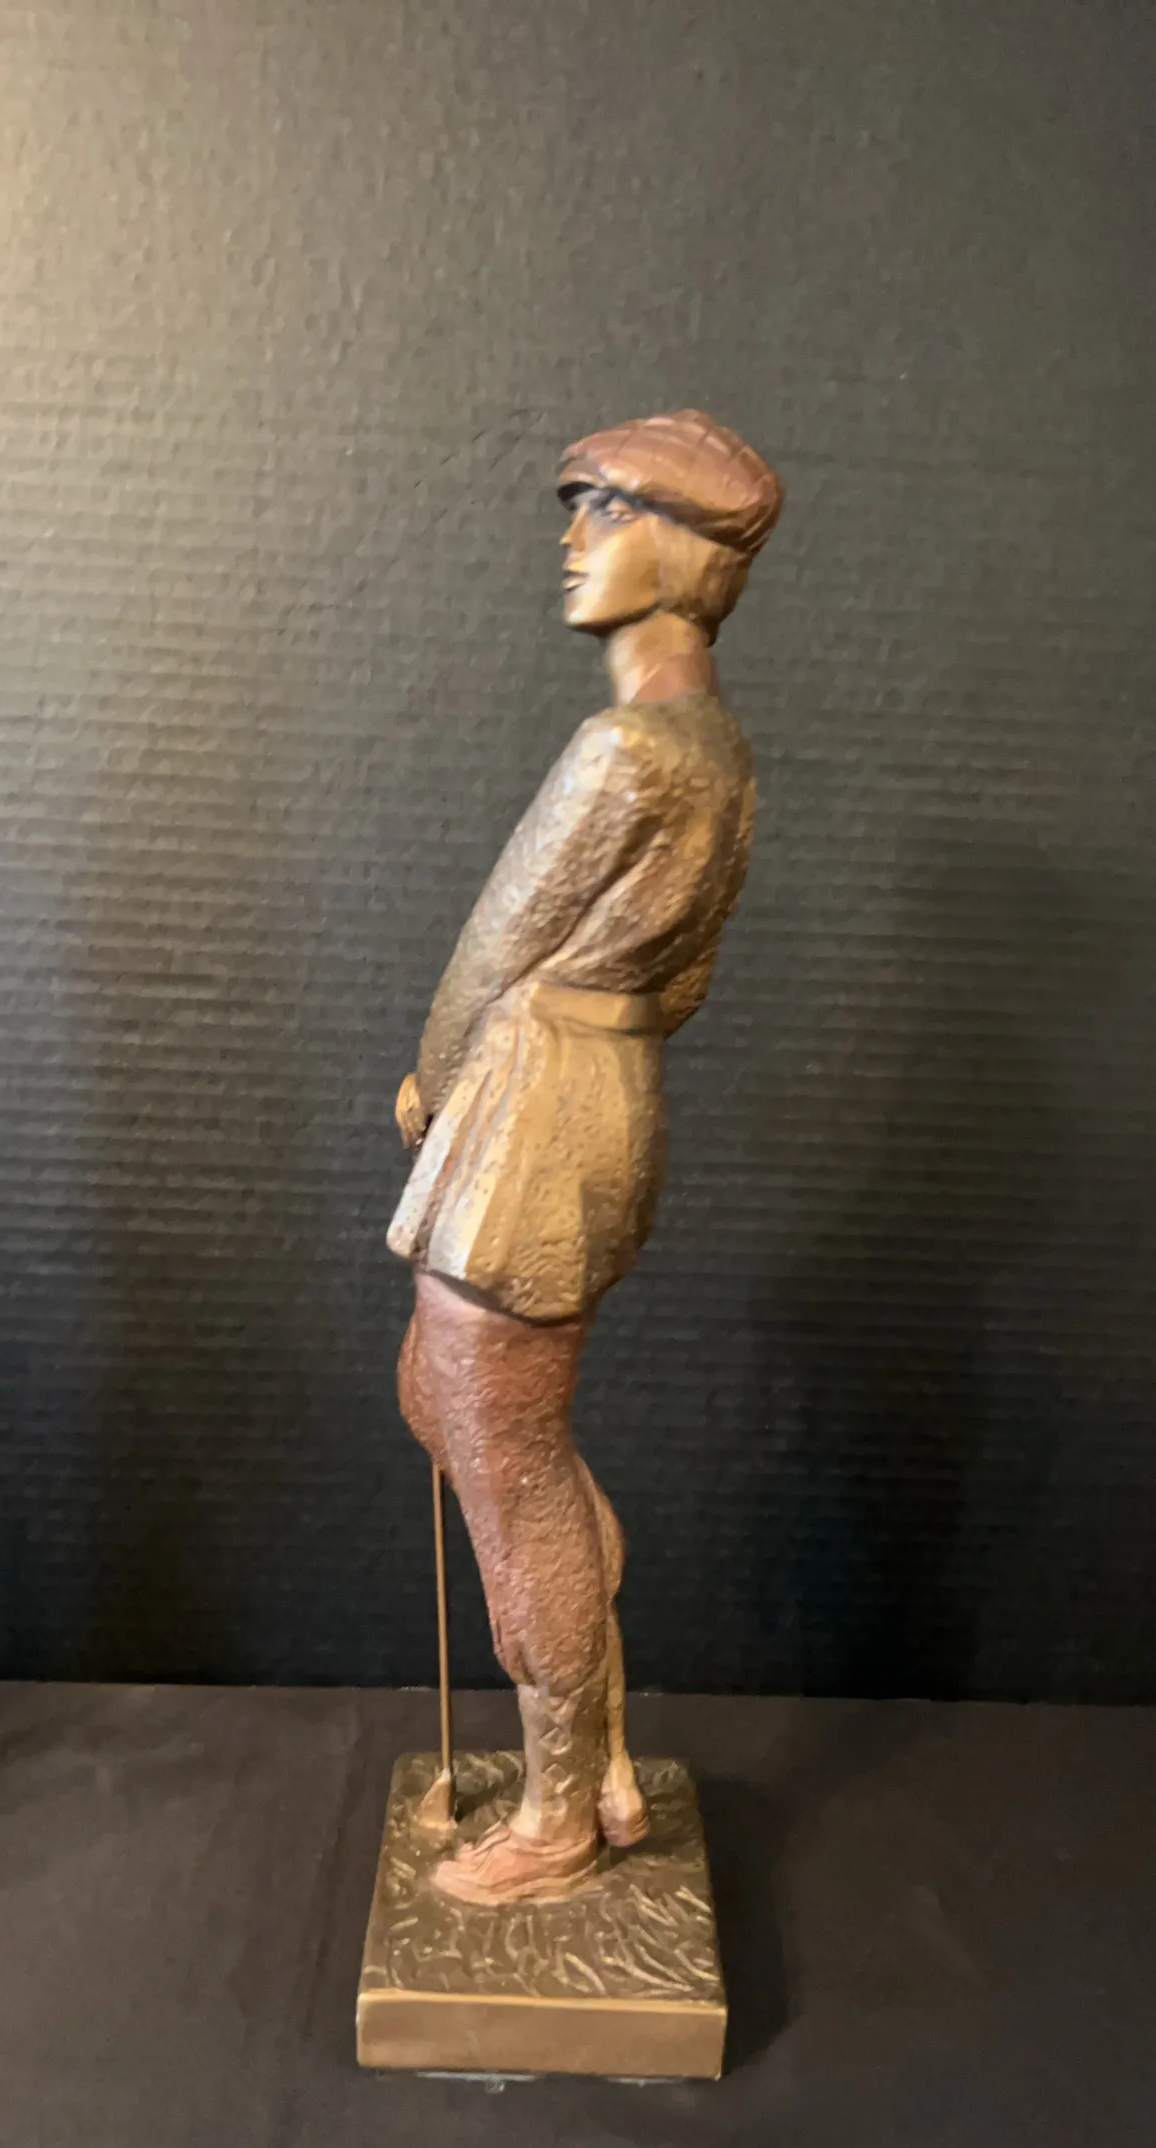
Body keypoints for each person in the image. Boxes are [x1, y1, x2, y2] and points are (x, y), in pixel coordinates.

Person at [388, 409, 782, 1905]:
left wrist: (437, 1076)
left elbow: (497, 937)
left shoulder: (624, 748)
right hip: (602, 1094)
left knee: (507, 1462)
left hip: (533, 1107)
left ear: (683, 551)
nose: (572, 538)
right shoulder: (719, 751)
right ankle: (597, 1736)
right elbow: (690, 982)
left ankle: (561, 1803)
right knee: (448, 1403)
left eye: (606, 508)